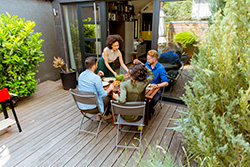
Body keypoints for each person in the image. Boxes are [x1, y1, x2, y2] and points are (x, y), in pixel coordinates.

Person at [134, 50, 169, 117]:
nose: (147, 60)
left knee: (155, 98)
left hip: (155, 87)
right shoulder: (147, 64)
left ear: (154, 59)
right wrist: (139, 62)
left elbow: (166, 83)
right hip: (145, 85)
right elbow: (143, 66)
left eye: (149, 59)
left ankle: (148, 110)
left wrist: (157, 85)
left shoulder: (160, 68)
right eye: (147, 59)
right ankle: (143, 110)